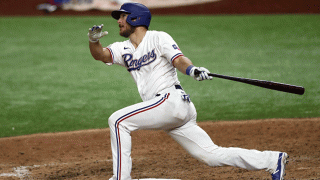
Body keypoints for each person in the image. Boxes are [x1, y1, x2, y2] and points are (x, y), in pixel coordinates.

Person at [88, 2, 288, 180]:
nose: (119, 21)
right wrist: (93, 41)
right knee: (211, 155)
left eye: (122, 17)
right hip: (171, 110)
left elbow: (178, 60)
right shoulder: (123, 49)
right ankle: (271, 159)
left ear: (135, 18)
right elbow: (102, 55)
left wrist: (192, 70)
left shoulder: (158, 38)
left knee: (118, 120)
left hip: (170, 101)